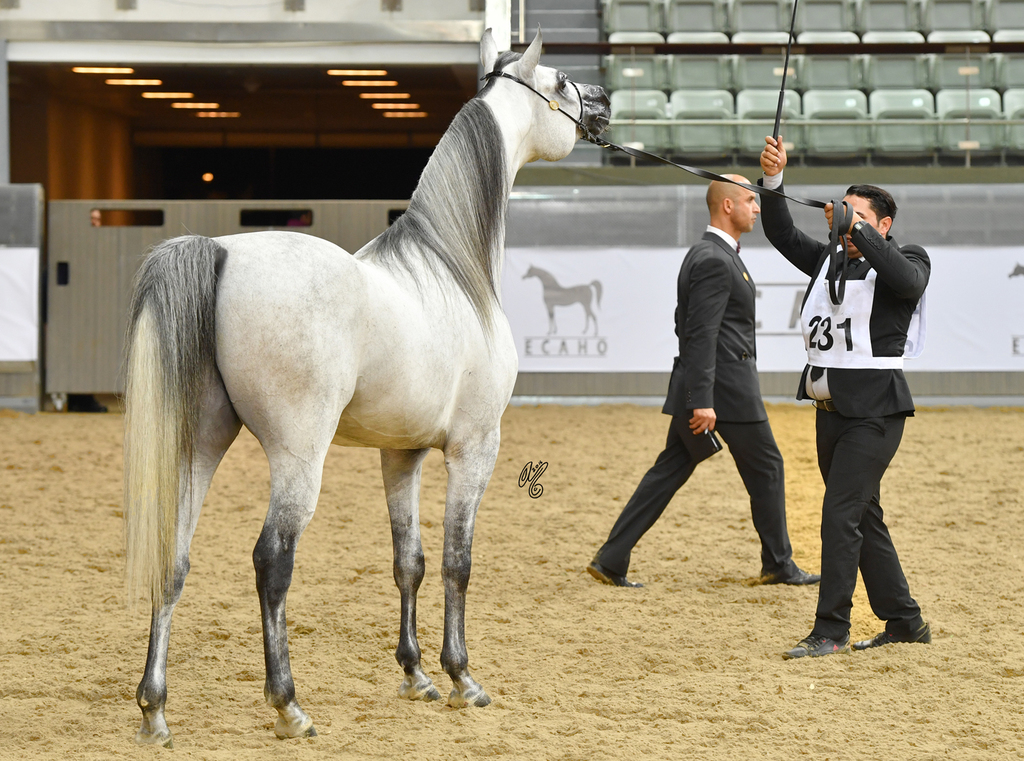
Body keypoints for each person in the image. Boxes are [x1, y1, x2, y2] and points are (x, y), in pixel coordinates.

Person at [587, 175, 821, 589]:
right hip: (725, 393)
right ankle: (779, 563)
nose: (757, 206)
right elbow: (700, 334)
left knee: (671, 469)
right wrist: (703, 400)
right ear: (727, 206)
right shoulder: (714, 258)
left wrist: (696, 394)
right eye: (751, 200)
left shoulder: (707, 253)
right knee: (768, 468)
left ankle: (611, 557)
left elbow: (687, 326)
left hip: (707, 388)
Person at [758, 136, 932, 659]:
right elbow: (781, 230)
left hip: (876, 412)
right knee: (862, 514)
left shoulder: (908, 259)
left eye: (859, 219)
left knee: (839, 515)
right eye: (841, 216)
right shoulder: (828, 262)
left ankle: (830, 629)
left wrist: (850, 222)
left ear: (884, 226)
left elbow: (906, 280)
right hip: (830, 412)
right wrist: (774, 181)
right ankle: (904, 621)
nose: (842, 227)